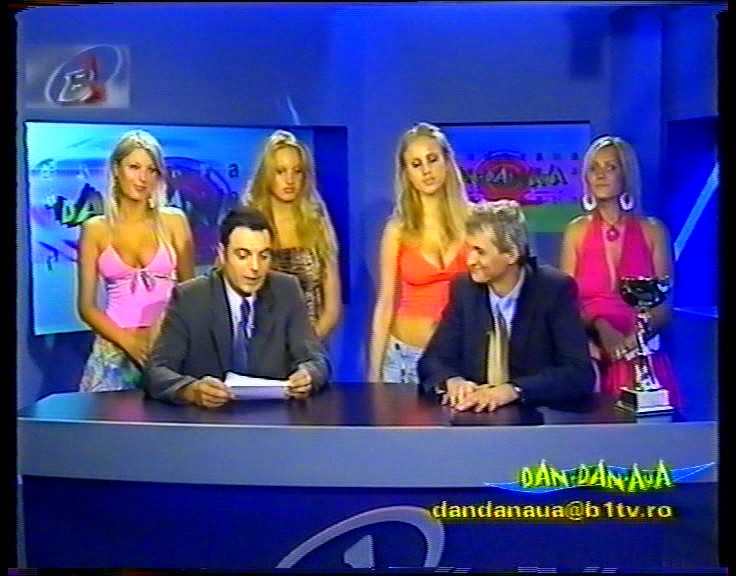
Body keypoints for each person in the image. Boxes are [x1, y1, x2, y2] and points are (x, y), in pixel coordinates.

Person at [142, 206, 330, 408]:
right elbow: (156, 372)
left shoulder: (286, 290)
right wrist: (191, 391)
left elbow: (316, 360)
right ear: (222, 255)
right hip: (209, 421)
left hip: (274, 417)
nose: (255, 267)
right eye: (243, 255)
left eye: (263, 256)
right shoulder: (191, 297)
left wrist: (308, 375)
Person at [418, 200, 595, 411]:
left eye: (480, 251)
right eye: (470, 249)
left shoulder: (553, 290)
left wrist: (514, 390)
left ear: (511, 254)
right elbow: (432, 360)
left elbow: (578, 373)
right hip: (474, 417)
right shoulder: (464, 289)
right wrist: (451, 380)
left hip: (536, 418)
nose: (470, 260)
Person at [560, 135, 680, 407]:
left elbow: (664, 305)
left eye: (610, 167)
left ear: (626, 174)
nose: (600, 175)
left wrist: (632, 342)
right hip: (591, 354)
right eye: (594, 168)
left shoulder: (653, 230)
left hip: (641, 352)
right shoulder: (576, 231)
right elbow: (566, 303)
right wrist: (602, 328)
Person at [77, 129, 195, 392]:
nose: (143, 178)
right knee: (110, 417)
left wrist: (164, 334)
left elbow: (191, 294)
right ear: (116, 169)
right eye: (134, 167)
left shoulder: (174, 222)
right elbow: (86, 306)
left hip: (168, 346)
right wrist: (128, 342)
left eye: (151, 170)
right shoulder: (95, 229)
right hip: (114, 347)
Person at [369, 122, 471, 385]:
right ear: (407, 174)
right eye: (416, 164)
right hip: (404, 359)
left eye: (432, 159)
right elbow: (385, 302)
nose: (426, 171)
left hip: (459, 359)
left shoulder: (473, 222)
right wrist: (373, 374)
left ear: (447, 162)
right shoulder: (398, 230)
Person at [242, 130, 341, 340]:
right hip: (257, 346)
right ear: (267, 175)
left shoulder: (316, 222)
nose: (290, 180)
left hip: (311, 344)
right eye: (280, 171)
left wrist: (306, 348)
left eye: (297, 171)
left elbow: (332, 308)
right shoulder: (248, 222)